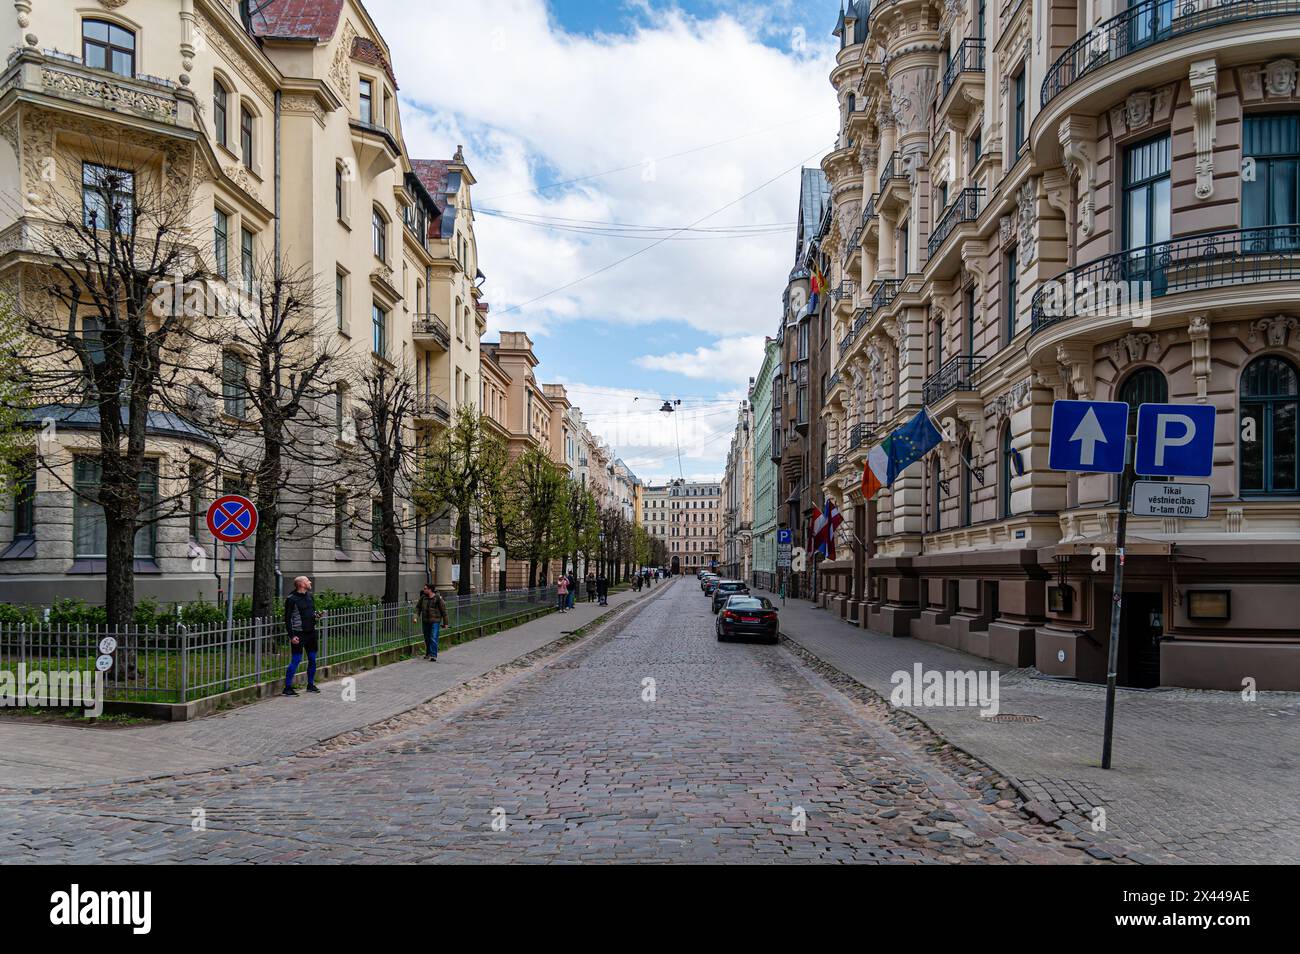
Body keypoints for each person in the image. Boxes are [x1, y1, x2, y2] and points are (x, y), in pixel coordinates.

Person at [283, 576, 320, 696]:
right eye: (307, 581)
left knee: (313, 659)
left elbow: (311, 612)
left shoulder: (310, 596)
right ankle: (287, 688)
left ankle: (310, 685)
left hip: (311, 633)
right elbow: (287, 619)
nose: (310, 582)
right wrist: (291, 636)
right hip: (298, 634)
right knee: (296, 660)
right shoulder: (291, 599)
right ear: (302, 584)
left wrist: (316, 616)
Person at [414, 583, 448, 661]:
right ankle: (428, 653)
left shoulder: (437, 598)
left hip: (435, 621)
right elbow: (418, 608)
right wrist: (415, 617)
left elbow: (444, 611)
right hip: (425, 621)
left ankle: (433, 655)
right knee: (427, 637)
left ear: (430, 589)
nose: (424, 589)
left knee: (433, 637)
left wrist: (445, 623)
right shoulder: (423, 598)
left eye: (425, 588)